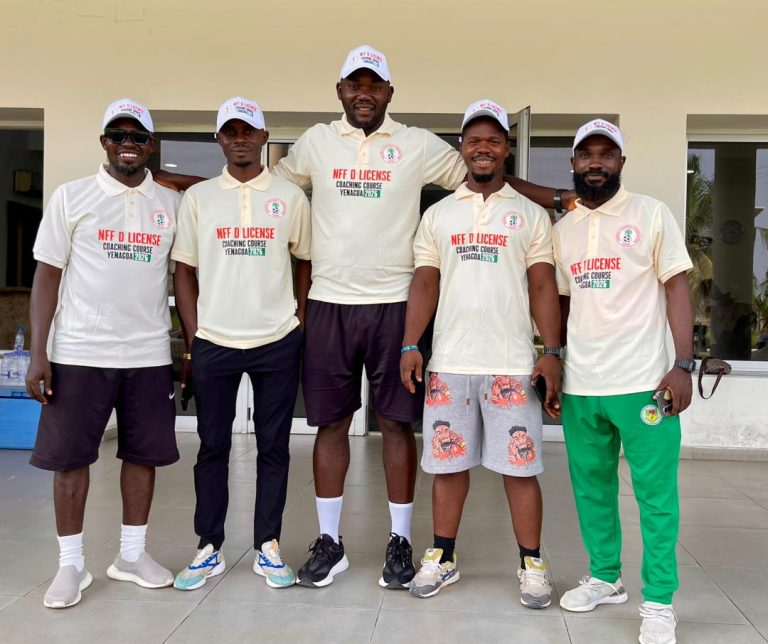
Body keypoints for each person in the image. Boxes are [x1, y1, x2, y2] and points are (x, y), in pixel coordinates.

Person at [153, 45, 574, 589]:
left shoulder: (419, 144)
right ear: (340, 92)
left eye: (374, 85)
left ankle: (400, 540)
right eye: (355, 84)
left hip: (396, 304)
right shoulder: (315, 144)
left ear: (390, 94)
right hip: (329, 303)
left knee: (396, 424)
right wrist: (192, 187)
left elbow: (486, 180)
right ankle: (330, 540)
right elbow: (260, 187)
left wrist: (559, 198)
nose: (364, 93)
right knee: (331, 424)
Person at [399, 100, 561, 607]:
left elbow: (542, 286)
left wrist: (550, 350)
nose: (483, 147)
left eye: (494, 139)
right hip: (451, 362)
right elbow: (425, 282)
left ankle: (531, 564)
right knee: (447, 468)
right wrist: (411, 343)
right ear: (462, 149)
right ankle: (443, 557)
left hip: (511, 363)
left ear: (507, 149)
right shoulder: (439, 214)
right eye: (474, 140)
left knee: (520, 469)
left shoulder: (531, 215)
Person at [26, 99, 180, 608]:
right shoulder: (72, 197)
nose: (128, 142)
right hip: (79, 351)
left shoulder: (171, 204)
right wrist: (39, 352)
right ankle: (71, 565)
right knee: (71, 462)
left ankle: (131, 556)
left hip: (148, 352)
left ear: (151, 145)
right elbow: (47, 275)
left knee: (142, 457)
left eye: (138, 135)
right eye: (118, 134)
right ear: (104, 143)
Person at [552, 119, 694, 644]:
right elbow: (563, 305)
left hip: (645, 383)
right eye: (585, 154)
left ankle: (658, 601)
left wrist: (683, 364)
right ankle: (605, 577)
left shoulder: (651, 213)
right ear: (573, 164)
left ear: (621, 163)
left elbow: (676, 287)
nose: (595, 162)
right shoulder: (562, 230)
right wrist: (554, 362)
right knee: (592, 489)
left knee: (656, 497)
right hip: (583, 383)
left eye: (606, 154)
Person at [171, 97, 311, 591]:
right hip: (214, 339)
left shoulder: (290, 196)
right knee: (213, 447)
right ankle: (208, 547)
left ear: (263, 135)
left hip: (277, 339)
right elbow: (183, 270)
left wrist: (299, 323)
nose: (240, 138)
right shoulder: (200, 198)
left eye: (248, 130)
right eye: (230, 131)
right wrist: (193, 339)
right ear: (219, 140)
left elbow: (304, 262)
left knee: (274, 448)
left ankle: (267, 547)